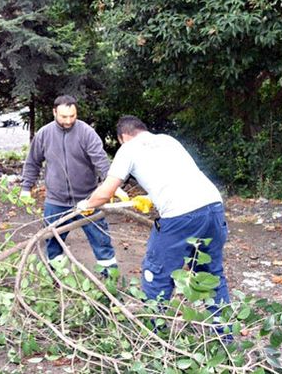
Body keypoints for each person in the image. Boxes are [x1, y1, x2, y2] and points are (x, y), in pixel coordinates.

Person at [77, 115, 230, 309]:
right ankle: (224, 334)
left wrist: (87, 203)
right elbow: (181, 177)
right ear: (143, 130)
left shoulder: (128, 149)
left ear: (122, 137)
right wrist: (150, 198)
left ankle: (154, 333)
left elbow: (106, 192)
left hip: (181, 215)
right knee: (210, 274)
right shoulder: (168, 140)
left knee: (156, 275)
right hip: (213, 207)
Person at [20, 95, 127, 273]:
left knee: (102, 242)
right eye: (64, 117)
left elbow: (100, 161)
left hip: (88, 199)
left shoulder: (86, 132)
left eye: (72, 116)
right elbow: (32, 162)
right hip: (56, 200)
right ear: (54, 112)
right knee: (53, 242)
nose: (69, 120)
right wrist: (25, 188)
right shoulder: (44, 134)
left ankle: (110, 280)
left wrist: (112, 186)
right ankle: (57, 281)